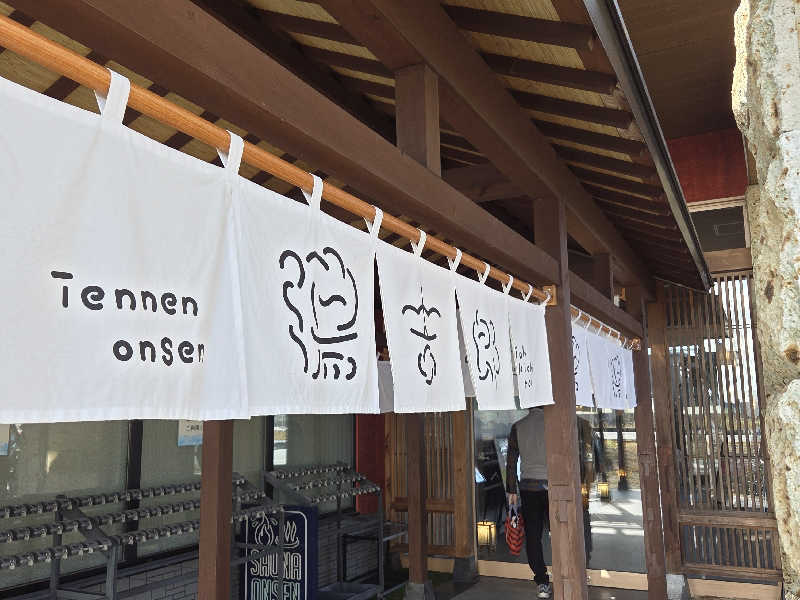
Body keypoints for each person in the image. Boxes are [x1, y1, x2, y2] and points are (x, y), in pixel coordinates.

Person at [506, 407, 552, 599]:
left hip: (528, 487)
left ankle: (542, 582)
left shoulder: (518, 427)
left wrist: (511, 490)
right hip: (553, 486)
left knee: (533, 537)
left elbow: (511, 461)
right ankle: (566, 574)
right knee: (560, 532)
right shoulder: (553, 423)